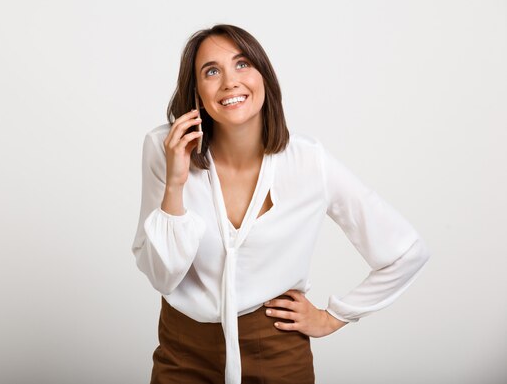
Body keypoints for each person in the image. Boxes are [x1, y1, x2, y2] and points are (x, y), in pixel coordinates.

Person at [131, 24, 430, 384]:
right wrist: (176, 184)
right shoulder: (164, 149)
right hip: (184, 351)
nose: (230, 81)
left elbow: (406, 250)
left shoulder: (308, 161)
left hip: (275, 350)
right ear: (196, 92)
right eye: (212, 71)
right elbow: (162, 276)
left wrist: (334, 316)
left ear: (264, 76)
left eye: (242, 64)